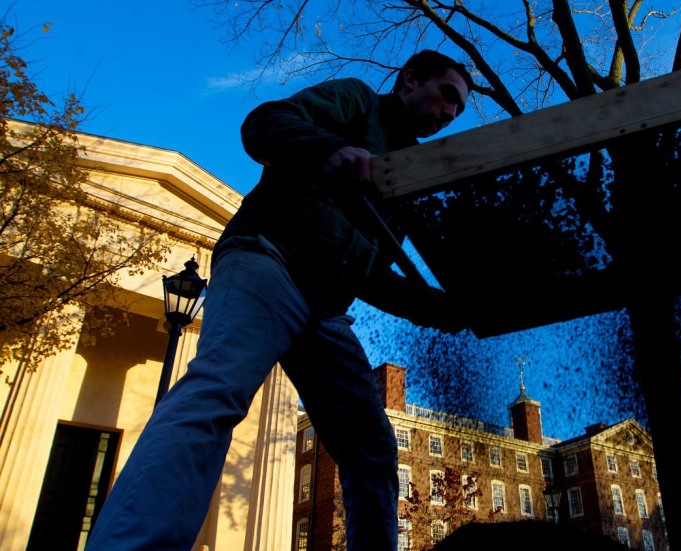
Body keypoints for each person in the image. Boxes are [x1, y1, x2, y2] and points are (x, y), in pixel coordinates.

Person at [86, 50, 473, 551]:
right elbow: (264, 123)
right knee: (219, 388)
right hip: (267, 258)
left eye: (459, 111)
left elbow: (371, 274)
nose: (449, 113)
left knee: (372, 450)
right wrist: (326, 148)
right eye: (447, 95)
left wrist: (441, 311)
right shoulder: (358, 103)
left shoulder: (403, 174)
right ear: (410, 80)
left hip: (325, 309)